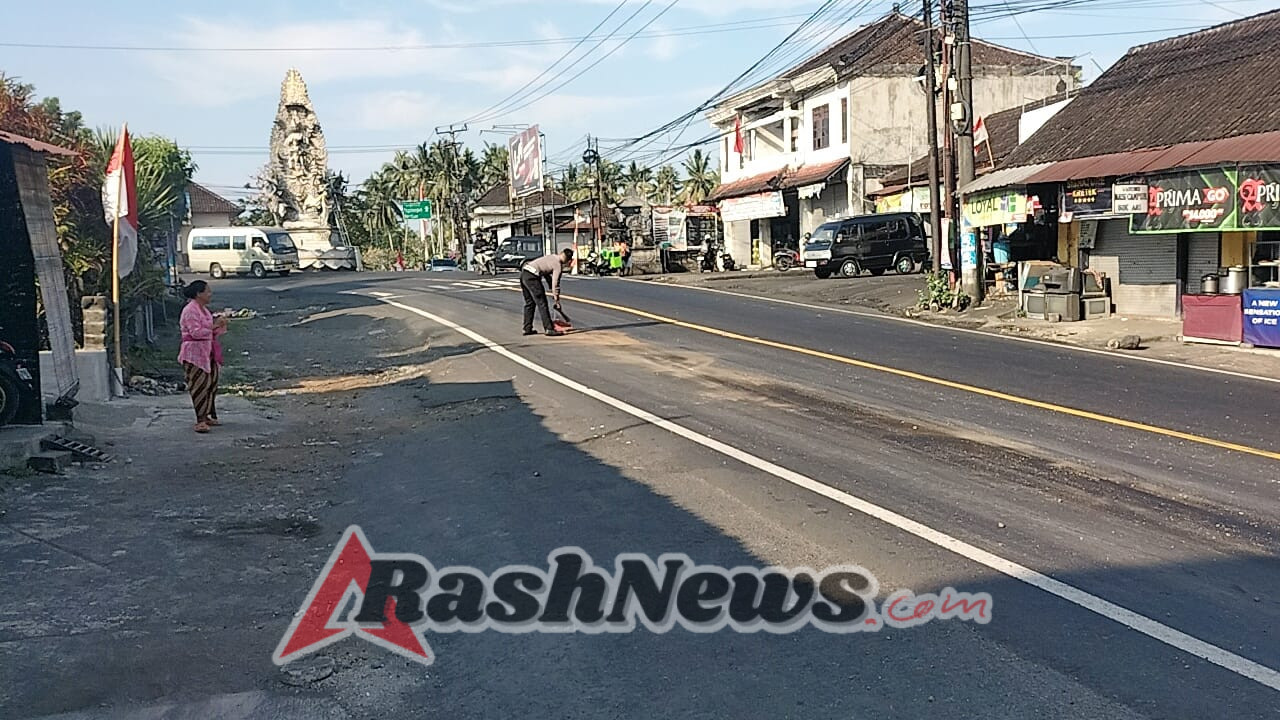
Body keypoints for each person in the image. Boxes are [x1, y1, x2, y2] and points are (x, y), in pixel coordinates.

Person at [177, 280, 227, 434]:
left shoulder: (203, 310)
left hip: (207, 351)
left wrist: (219, 325)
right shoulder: (190, 310)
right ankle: (200, 420)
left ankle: (207, 415)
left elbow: (209, 330)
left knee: (211, 384)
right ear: (199, 294)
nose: (210, 294)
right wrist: (214, 325)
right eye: (208, 291)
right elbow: (196, 333)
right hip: (194, 353)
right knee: (199, 386)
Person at [521, 248, 573, 336]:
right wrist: (556, 298)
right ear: (567, 259)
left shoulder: (551, 257)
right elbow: (555, 282)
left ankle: (527, 328)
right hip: (532, 278)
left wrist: (551, 288)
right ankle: (549, 328)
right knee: (542, 303)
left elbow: (546, 273)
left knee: (530, 303)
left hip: (524, 273)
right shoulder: (558, 265)